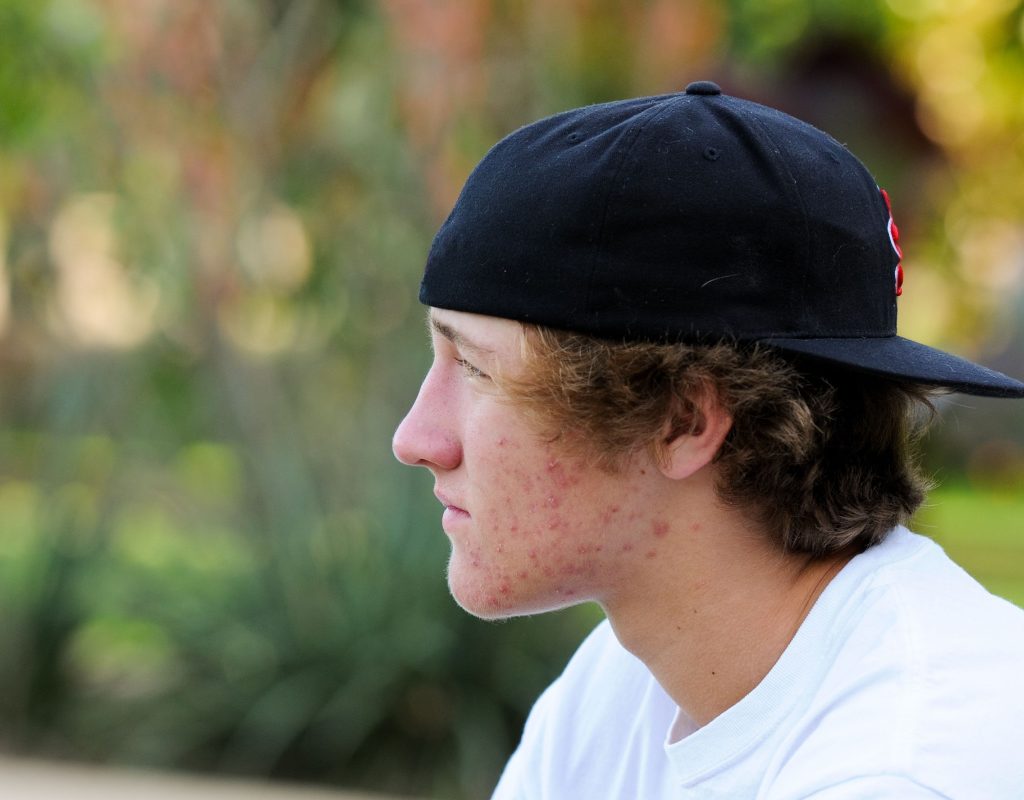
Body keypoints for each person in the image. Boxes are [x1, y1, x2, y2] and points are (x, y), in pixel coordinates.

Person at [391, 81, 1024, 799]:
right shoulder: (624, 686)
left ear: (684, 420)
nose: (416, 439)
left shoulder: (901, 768)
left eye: (475, 367)